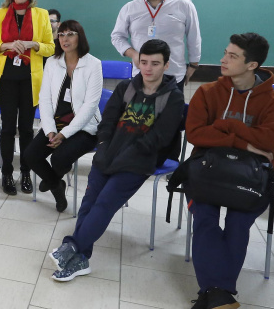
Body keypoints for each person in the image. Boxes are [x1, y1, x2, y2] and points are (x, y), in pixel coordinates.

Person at [50, 39, 184, 281]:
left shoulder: (173, 97)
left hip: (138, 162)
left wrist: (126, 154)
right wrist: (102, 146)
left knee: (104, 205)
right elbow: (108, 122)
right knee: (89, 203)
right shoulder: (126, 88)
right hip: (108, 154)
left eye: (155, 63)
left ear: (166, 65)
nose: (148, 68)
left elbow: (160, 137)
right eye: (143, 62)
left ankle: (72, 245)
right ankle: (81, 259)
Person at [183, 33, 274, 309]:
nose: (222, 60)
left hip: (251, 178)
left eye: (232, 56)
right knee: (204, 217)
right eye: (225, 53)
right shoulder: (207, 92)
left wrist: (224, 126)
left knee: (238, 223)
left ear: (251, 64)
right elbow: (195, 134)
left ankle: (212, 295)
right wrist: (241, 138)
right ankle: (219, 293)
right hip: (209, 171)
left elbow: (268, 141)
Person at [0, 0, 55, 195]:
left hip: (30, 81)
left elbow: (50, 48)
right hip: (5, 80)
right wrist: (5, 45)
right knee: (7, 129)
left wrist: (34, 44)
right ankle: (6, 173)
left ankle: (25, 172)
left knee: (26, 130)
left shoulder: (42, 15)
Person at [23, 20, 102, 212]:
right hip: (56, 123)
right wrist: (50, 129)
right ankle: (57, 185)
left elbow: (90, 106)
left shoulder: (93, 65)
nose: (65, 39)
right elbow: (45, 98)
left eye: (70, 34)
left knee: (59, 158)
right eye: (61, 34)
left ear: (79, 37)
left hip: (84, 127)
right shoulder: (52, 62)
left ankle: (51, 179)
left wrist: (65, 134)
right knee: (30, 155)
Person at [111, 0, 202, 90]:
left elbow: (194, 36)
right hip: (141, 75)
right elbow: (117, 37)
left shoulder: (184, 5)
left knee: (171, 110)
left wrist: (193, 65)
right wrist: (133, 54)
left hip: (173, 75)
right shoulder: (129, 8)